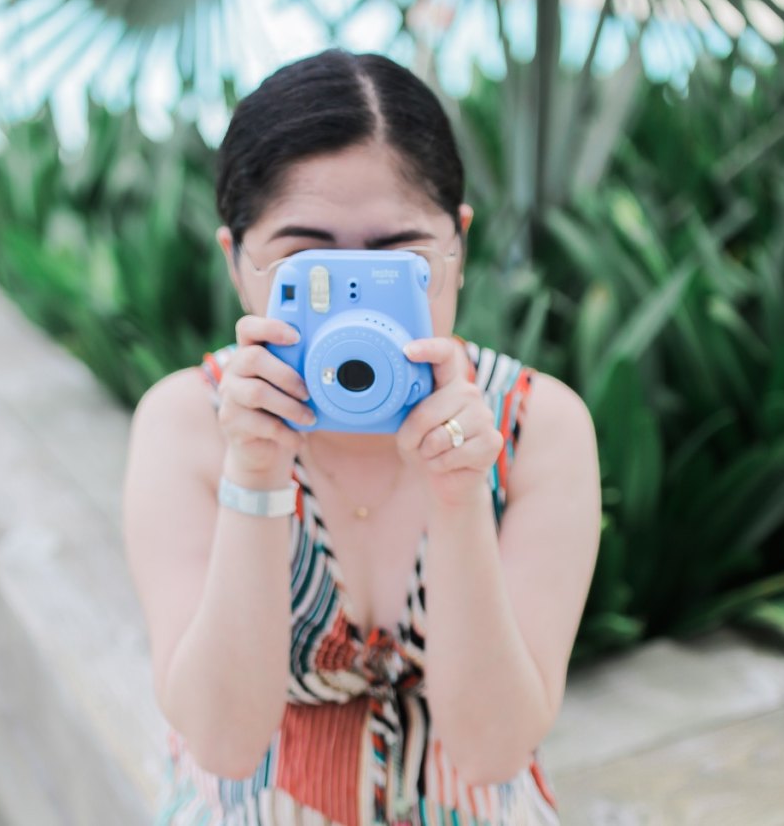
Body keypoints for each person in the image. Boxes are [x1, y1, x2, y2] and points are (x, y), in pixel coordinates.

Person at [122, 48, 601, 826]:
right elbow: (223, 742)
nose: (352, 313)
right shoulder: (187, 425)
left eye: (395, 260)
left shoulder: (537, 423)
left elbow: (491, 751)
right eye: (308, 264)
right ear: (236, 262)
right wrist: (256, 474)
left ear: (458, 247)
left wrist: (458, 495)